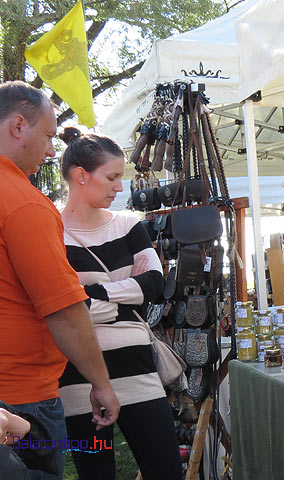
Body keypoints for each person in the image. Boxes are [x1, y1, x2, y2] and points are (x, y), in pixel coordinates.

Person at [0, 80, 120, 480]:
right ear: (19, 126)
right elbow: (63, 307)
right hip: (20, 396)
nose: (53, 150)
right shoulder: (22, 201)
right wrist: (101, 383)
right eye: (49, 136)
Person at [58, 127, 182, 480]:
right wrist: (124, 294)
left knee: (165, 469)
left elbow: (155, 285)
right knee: (96, 473)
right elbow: (63, 308)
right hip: (77, 377)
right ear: (82, 176)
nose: (119, 187)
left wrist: (93, 295)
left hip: (139, 370)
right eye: (112, 177)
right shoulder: (49, 229)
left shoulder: (128, 225)